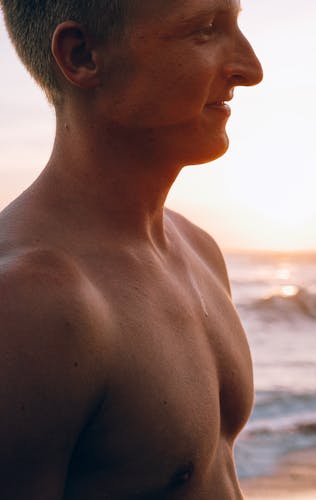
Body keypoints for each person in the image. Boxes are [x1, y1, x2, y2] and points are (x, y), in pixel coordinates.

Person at [0, 0, 262, 497]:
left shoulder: (199, 251)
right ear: (81, 56)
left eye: (235, 25)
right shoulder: (26, 306)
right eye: (205, 30)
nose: (250, 69)